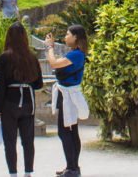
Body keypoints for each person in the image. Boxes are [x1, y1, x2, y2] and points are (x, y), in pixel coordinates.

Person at [0, 23, 44, 177]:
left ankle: (13, 173)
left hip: (9, 103)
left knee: (10, 141)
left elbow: (1, 86)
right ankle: (28, 173)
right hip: (28, 102)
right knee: (28, 141)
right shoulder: (32, 57)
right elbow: (39, 84)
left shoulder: (5, 57)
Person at [46, 25, 89, 177]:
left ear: (76, 37)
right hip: (66, 94)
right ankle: (71, 166)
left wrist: (50, 47)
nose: (65, 37)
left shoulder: (76, 55)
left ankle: (72, 168)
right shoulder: (75, 54)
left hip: (69, 97)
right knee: (70, 131)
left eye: (67, 34)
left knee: (66, 132)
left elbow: (54, 63)